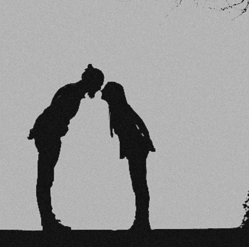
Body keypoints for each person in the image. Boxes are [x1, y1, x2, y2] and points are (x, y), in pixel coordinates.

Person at [28, 64, 105, 231]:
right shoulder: (73, 93)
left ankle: (47, 219)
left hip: (47, 134)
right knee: (45, 179)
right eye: (98, 85)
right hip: (49, 136)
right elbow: (52, 111)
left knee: (46, 178)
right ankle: (47, 221)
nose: (99, 89)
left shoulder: (71, 90)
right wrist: (46, 128)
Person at [100, 81, 155, 231]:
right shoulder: (118, 107)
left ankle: (142, 220)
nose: (101, 91)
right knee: (138, 184)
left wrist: (146, 139)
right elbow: (139, 122)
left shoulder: (120, 108)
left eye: (105, 90)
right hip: (135, 149)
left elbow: (139, 123)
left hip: (136, 148)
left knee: (139, 185)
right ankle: (142, 220)